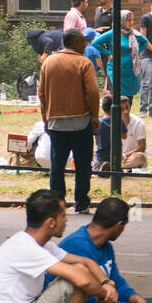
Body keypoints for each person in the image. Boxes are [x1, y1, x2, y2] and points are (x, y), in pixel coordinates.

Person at [53, 197, 152, 303]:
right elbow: (88, 299)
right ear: (119, 225)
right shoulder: (78, 246)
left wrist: (138, 301)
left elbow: (117, 282)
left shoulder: (106, 246)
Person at [38, 29, 101, 214]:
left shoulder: (49, 62)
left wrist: (45, 118)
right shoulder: (83, 63)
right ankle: (81, 203)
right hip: (80, 122)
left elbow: (41, 94)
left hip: (56, 122)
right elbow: (92, 92)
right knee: (82, 165)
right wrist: (94, 116)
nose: (85, 44)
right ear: (74, 42)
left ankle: (57, 203)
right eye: (82, 41)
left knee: (57, 165)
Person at [91, 11, 148, 107]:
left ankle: (126, 119)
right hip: (116, 70)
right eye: (128, 20)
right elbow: (95, 43)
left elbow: (145, 42)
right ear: (121, 21)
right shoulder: (113, 33)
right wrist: (108, 54)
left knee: (129, 100)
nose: (132, 22)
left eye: (132, 20)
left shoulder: (134, 34)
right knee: (117, 98)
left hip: (130, 71)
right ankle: (117, 119)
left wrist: (136, 52)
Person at [94, 96, 147, 172]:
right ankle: (115, 167)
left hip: (128, 157)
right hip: (114, 157)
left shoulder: (138, 123)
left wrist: (124, 156)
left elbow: (142, 147)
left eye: (127, 107)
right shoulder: (112, 122)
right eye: (122, 109)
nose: (126, 111)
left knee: (141, 157)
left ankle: (111, 167)